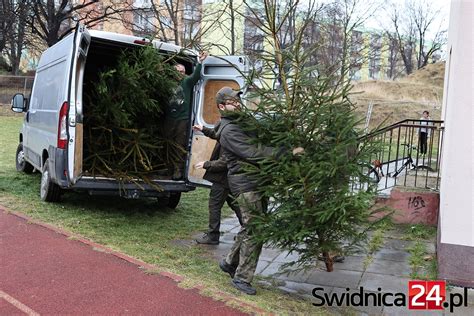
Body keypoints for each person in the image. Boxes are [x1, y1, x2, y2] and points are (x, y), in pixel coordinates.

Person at [214, 87, 304, 295]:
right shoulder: (230, 130)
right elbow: (254, 153)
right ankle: (242, 278)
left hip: (257, 181)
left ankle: (229, 262)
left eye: (238, 102)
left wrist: (284, 117)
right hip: (245, 184)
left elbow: (263, 128)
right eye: (232, 103)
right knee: (255, 229)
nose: (237, 105)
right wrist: (287, 153)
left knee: (250, 226)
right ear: (221, 106)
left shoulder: (241, 122)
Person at [193, 122, 243, 245]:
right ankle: (249, 231)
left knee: (215, 205)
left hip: (223, 178)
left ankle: (213, 236)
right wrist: (203, 129)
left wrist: (207, 164)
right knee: (235, 204)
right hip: (230, 177)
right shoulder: (230, 131)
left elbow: (225, 162)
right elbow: (217, 134)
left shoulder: (231, 138)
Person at [165, 51, 208, 179]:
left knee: (179, 144)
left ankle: (177, 170)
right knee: (167, 143)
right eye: (176, 71)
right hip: (168, 118)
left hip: (182, 119)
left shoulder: (187, 82)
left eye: (182, 72)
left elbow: (196, 76)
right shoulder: (166, 83)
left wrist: (200, 62)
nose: (179, 74)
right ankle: (167, 168)